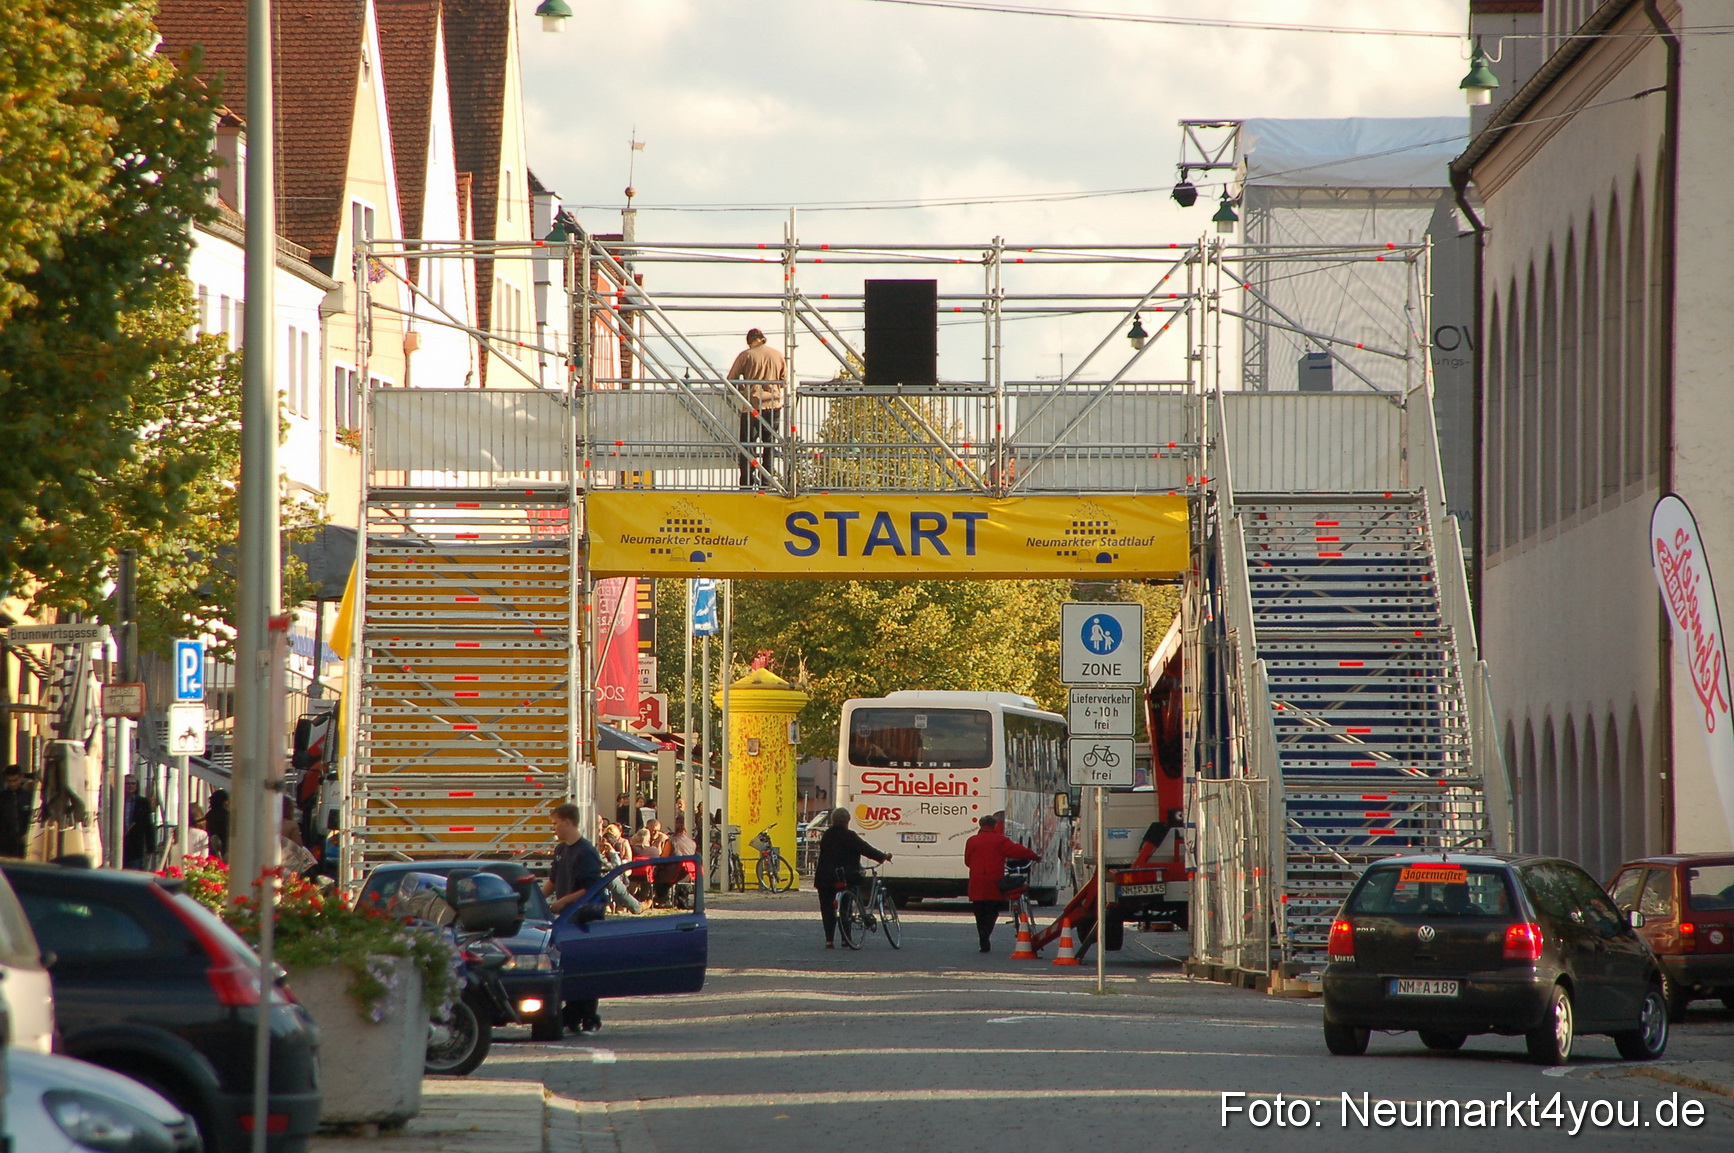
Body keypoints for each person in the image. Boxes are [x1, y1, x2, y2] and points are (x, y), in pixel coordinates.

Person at [543, 802, 604, 1034]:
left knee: (586, 967)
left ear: (568, 822)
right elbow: (553, 881)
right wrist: (536, 901)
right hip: (566, 922)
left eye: (556, 823)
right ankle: (572, 1014)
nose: (554, 828)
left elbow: (591, 888)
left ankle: (589, 1017)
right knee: (568, 968)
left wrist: (564, 901)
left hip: (584, 920)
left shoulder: (586, 852)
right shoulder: (561, 851)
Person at [812, 807, 891, 949]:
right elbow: (866, 849)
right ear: (847, 821)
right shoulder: (849, 836)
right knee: (846, 908)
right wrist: (882, 856)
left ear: (832, 820)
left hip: (824, 878)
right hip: (844, 877)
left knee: (827, 909)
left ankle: (829, 940)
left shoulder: (827, 835)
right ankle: (845, 938)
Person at [963, 814, 1040, 953]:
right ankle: (987, 932)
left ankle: (982, 933)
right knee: (992, 910)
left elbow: (967, 861)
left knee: (979, 910)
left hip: (977, 880)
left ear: (980, 825)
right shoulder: (1000, 840)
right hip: (994, 880)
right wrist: (1034, 856)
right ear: (994, 826)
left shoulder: (972, 840)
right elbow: (1017, 850)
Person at [726, 328, 786, 486]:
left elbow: (730, 380)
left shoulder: (746, 355)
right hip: (774, 405)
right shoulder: (778, 355)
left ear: (750, 341)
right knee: (769, 445)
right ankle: (766, 482)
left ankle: (746, 481)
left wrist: (742, 391)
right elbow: (784, 380)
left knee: (747, 446)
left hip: (751, 405)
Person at [0, 766, 35, 859]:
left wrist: (29, 834)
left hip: (24, 845)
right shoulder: (2, 798)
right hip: (5, 846)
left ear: (21, 777)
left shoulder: (29, 797)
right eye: (9, 781)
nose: (12, 784)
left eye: (15, 780)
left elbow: (33, 819)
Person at [122, 777, 157, 870]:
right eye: (127, 783)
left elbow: (148, 825)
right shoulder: (117, 801)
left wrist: (150, 846)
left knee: (134, 872)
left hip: (136, 846)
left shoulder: (143, 802)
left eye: (133, 783)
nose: (130, 786)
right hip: (119, 844)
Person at [205, 789, 231, 859]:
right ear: (225, 802)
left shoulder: (209, 814)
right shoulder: (227, 815)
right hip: (225, 849)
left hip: (211, 848)